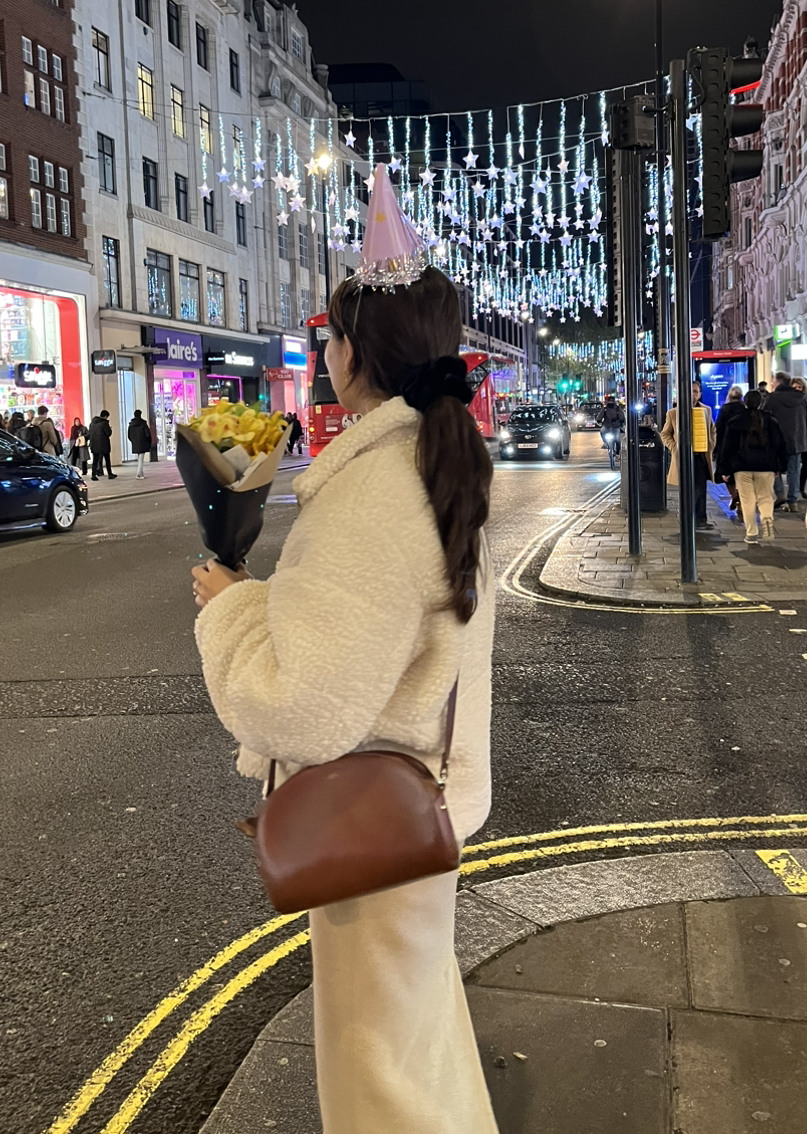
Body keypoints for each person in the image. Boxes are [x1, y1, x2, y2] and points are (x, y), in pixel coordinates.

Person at [192, 219, 499, 1127]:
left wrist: (231, 608)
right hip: (417, 796)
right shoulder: (427, 463)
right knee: (416, 1049)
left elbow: (301, 705)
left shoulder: (372, 491)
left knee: (381, 1081)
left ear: (354, 354)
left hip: (374, 821)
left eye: (331, 334)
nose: (325, 350)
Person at [719, 389, 787, 543]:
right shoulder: (771, 421)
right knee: (765, 497)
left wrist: (724, 469)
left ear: (745, 402)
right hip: (766, 467)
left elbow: (727, 447)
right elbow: (780, 444)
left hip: (742, 467)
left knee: (747, 500)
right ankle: (767, 520)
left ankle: (751, 533)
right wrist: (779, 466)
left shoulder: (735, 421)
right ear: (761, 403)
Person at [661, 380, 717, 529]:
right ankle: (687, 519)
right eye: (690, 391)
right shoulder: (673, 413)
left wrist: (710, 444)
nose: (693, 394)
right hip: (683, 457)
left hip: (700, 456)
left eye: (696, 391)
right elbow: (665, 434)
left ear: (700, 394)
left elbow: (712, 429)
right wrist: (674, 448)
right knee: (687, 489)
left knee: (700, 488)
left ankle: (700, 520)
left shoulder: (706, 410)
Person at [763, 371, 807, 512]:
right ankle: (793, 501)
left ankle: (780, 494)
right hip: (797, 440)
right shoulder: (802, 398)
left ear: (777, 382)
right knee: (794, 470)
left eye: (773, 381)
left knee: (774, 468)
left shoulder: (772, 398)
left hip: (776, 440)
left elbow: (764, 417)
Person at [713, 385, 745, 513]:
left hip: (725, 445)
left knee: (726, 474)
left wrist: (716, 448)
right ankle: (740, 498)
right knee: (741, 475)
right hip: (741, 446)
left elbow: (718, 428)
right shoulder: (744, 409)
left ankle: (733, 495)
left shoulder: (725, 409)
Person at [792, 377, 807, 497]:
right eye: (794, 387)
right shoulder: (790, 401)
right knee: (794, 465)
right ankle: (795, 489)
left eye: (799, 387)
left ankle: (800, 486)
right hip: (795, 436)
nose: (797, 389)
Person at [89, 409, 115, 478]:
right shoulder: (104, 423)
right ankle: (110, 474)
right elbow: (108, 433)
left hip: (94, 445)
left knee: (95, 460)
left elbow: (90, 434)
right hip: (104, 445)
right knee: (107, 460)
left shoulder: (92, 424)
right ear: (105, 416)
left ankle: (93, 475)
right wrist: (110, 429)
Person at [127, 408, 152, 478]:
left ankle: (141, 473)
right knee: (141, 459)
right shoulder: (143, 424)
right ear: (140, 415)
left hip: (135, 443)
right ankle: (139, 474)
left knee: (139, 458)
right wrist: (148, 441)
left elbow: (129, 436)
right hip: (143, 442)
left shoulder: (131, 425)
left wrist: (133, 441)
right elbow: (147, 434)